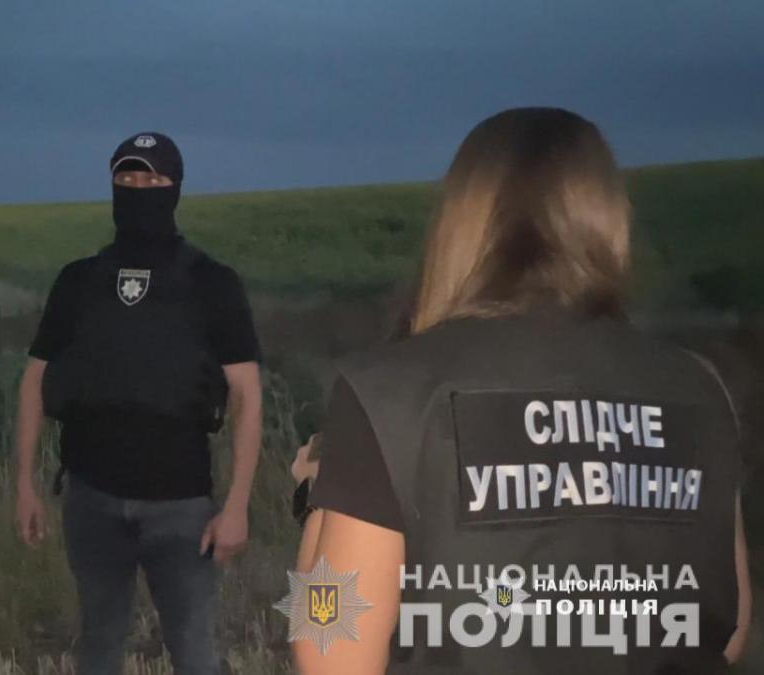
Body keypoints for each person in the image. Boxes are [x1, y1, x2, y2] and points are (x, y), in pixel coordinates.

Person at [295, 107, 752, 674]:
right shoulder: (698, 386)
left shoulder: (390, 390)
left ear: (461, 225)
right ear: (608, 219)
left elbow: (331, 650)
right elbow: (728, 630)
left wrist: (318, 504)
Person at [14, 132, 264, 675]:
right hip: (91, 500)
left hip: (181, 507)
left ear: (174, 187)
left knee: (194, 652)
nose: (138, 188)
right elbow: (35, 379)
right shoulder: (78, 281)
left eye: (152, 178)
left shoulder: (212, 283)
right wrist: (25, 484)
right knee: (98, 645)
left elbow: (247, 395)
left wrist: (237, 505)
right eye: (126, 177)